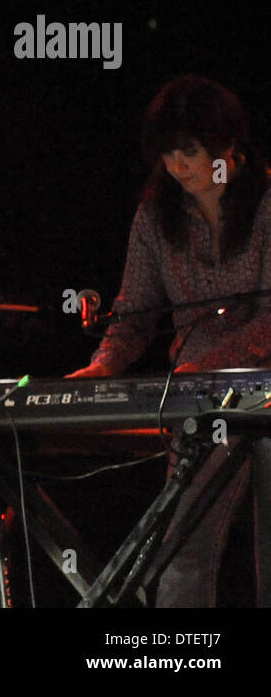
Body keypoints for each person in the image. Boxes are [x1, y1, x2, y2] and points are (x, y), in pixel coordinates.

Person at [68, 74, 271, 607]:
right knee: (184, 548)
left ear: (228, 148)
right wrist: (105, 365)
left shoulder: (268, 204)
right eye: (168, 153)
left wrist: (210, 366)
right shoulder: (156, 216)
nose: (177, 166)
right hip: (198, 405)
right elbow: (134, 314)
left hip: (258, 396)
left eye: (190, 151)